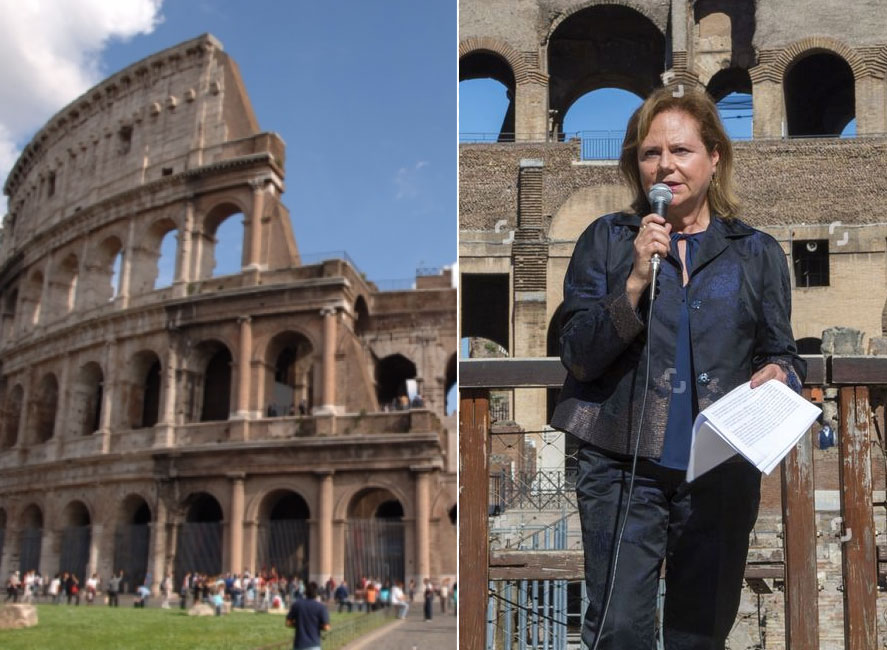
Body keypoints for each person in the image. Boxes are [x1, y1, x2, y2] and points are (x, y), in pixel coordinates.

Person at [550, 86, 805, 649]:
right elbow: (578, 354)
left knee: (701, 629)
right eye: (650, 153)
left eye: (681, 151)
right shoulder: (608, 242)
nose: (664, 164)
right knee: (618, 629)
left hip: (718, 468)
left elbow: (780, 350)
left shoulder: (755, 252)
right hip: (621, 466)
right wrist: (637, 280)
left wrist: (781, 373)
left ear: (715, 158)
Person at [285, 581, 330, 650]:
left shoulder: (297, 605)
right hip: (314, 644)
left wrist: (298, 624)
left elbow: (288, 623)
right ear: (316, 593)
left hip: (299, 644)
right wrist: (317, 625)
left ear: (305, 592)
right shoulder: (321, 607)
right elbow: (326, 627)